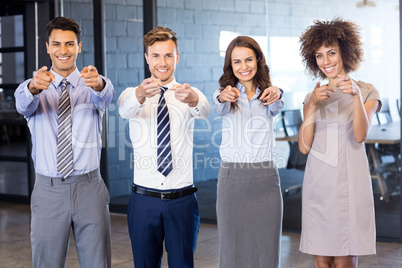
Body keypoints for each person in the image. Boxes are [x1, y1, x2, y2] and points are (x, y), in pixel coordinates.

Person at [15, 17, 114, 268]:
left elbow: (106, 96)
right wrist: (34, 87)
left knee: (97, 263)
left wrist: (99, 83)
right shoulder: (33, 86)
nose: (63, 51)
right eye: (56, 44)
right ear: (47, 47)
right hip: (48, 191)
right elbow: (22, 103)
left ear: (79, 46)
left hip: (89, 188)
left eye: (69, 44)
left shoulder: (93, 83)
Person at [118, 26, 210, 267]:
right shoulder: (132, 94)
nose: (162, 62)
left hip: (182, 201)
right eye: (156, 55)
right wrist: (140, 94)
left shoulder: (188, 94)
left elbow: (205, 110)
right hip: (143, 202)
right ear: (147, 58)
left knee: (182, 263)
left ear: (177, 57)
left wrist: (193, 99)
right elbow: (124, 109)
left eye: (168, 55)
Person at [298, 18, 380, 268]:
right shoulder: (312, 96)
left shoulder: (367, 91)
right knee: (322, 261)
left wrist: (355, 95)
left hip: (349, 183)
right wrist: (312, 105)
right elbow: (304, 146)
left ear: (345, 52)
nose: (326, 61)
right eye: (319, 56)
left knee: (344, 260)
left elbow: (360, 135)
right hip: (318, 182)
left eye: (331, 53)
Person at [213, 36, 284, 268]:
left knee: (266, 249)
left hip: (265, 180)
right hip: (232, 180)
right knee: (232, 249)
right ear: (230, 66)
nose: (244, 67)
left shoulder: (270, 94)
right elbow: (218, 104)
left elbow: (277, 101)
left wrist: (277, 91)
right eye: (237, 62)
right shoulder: (224, 94)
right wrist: (224, 95)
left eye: (248, 59)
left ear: (258, 60)